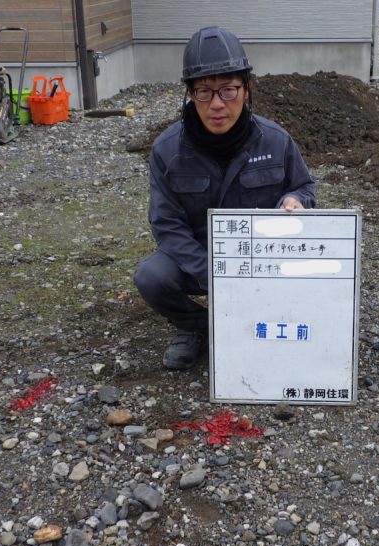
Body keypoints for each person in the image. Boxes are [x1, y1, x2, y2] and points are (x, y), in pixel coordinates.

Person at [133, 26, 316, 370]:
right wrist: (216, 275)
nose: (217, 104)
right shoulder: (167, 150)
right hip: (199, 260)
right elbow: (167, 226)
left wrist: (296, 200)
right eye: (204, 91)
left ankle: (269, 319)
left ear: (247, 89)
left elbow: (304, 187)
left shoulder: (276, 140)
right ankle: (197, 326)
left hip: (262, 260)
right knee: (152, 277)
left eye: (228, 90)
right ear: (190, 94)